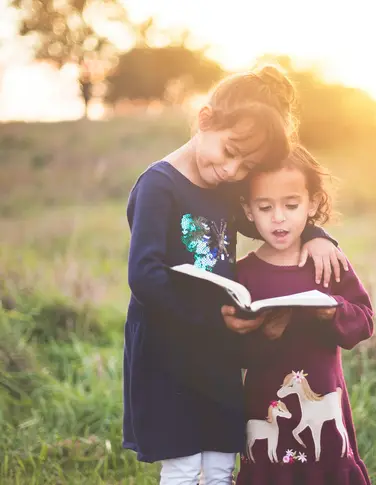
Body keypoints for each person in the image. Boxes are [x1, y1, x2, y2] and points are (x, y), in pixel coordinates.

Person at [123, 66, 348, 485]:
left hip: (218, 347)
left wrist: (317, 234)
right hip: (169, 346)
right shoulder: (159, 186)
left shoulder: (224, 187)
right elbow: (145, 275)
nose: (232, 171)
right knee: (185, 461)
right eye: (229, 152)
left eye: (247, 167)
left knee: (223, 457)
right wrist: (212, 319)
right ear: (205, 120)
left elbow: (269, 223)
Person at [236, 145, 373, 485]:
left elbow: (364, 320)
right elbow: (231, 348)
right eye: (265, 207)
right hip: (264, 401)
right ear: (248, 210)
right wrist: (265, 334)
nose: (278, 217)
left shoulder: (327, 262)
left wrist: (334, 311)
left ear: (312, 203)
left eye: (291, 205)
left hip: (324, 398)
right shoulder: (243, 275)